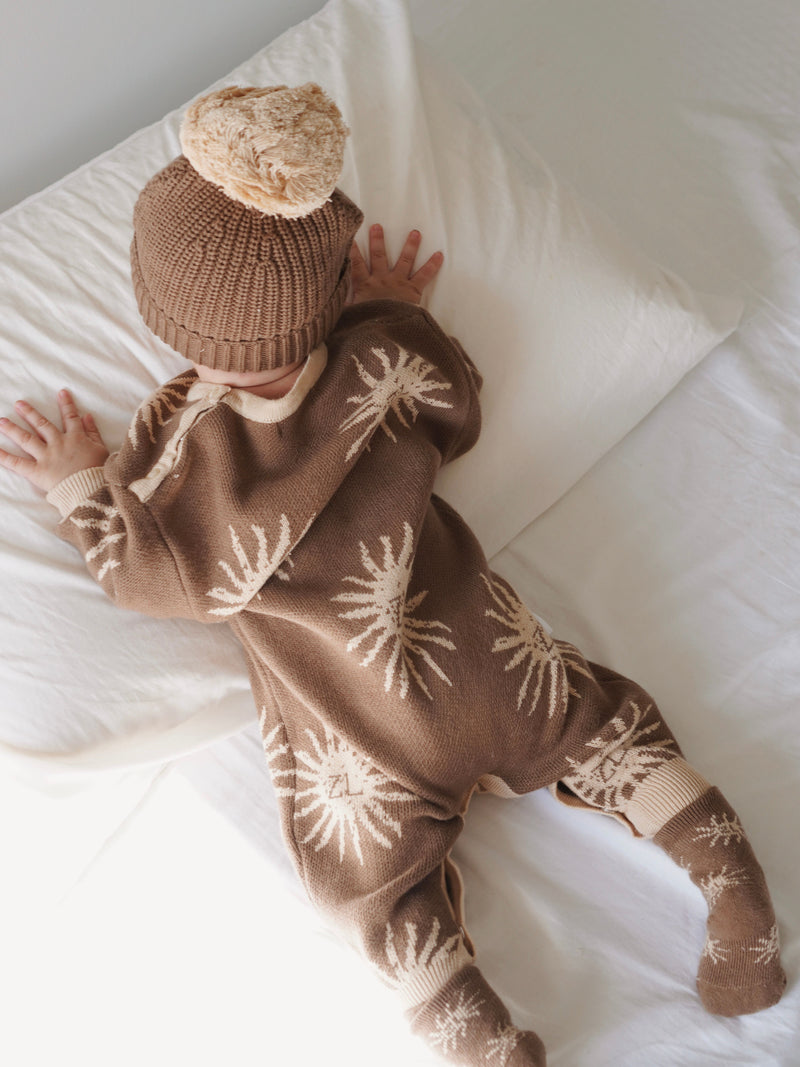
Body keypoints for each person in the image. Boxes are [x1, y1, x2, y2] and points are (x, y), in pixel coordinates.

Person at [0, 84, 785, 1066]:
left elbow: (152, 577)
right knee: (605, 729)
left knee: (369, 892)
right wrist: (391, 309)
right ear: (327, 289)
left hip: (357, 738)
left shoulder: (189, 452)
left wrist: (80, 483)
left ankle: (483, 1040)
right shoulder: (383, 353)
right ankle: (734, 896)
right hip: (483, 662)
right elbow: (460, 408)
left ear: (175, 329)